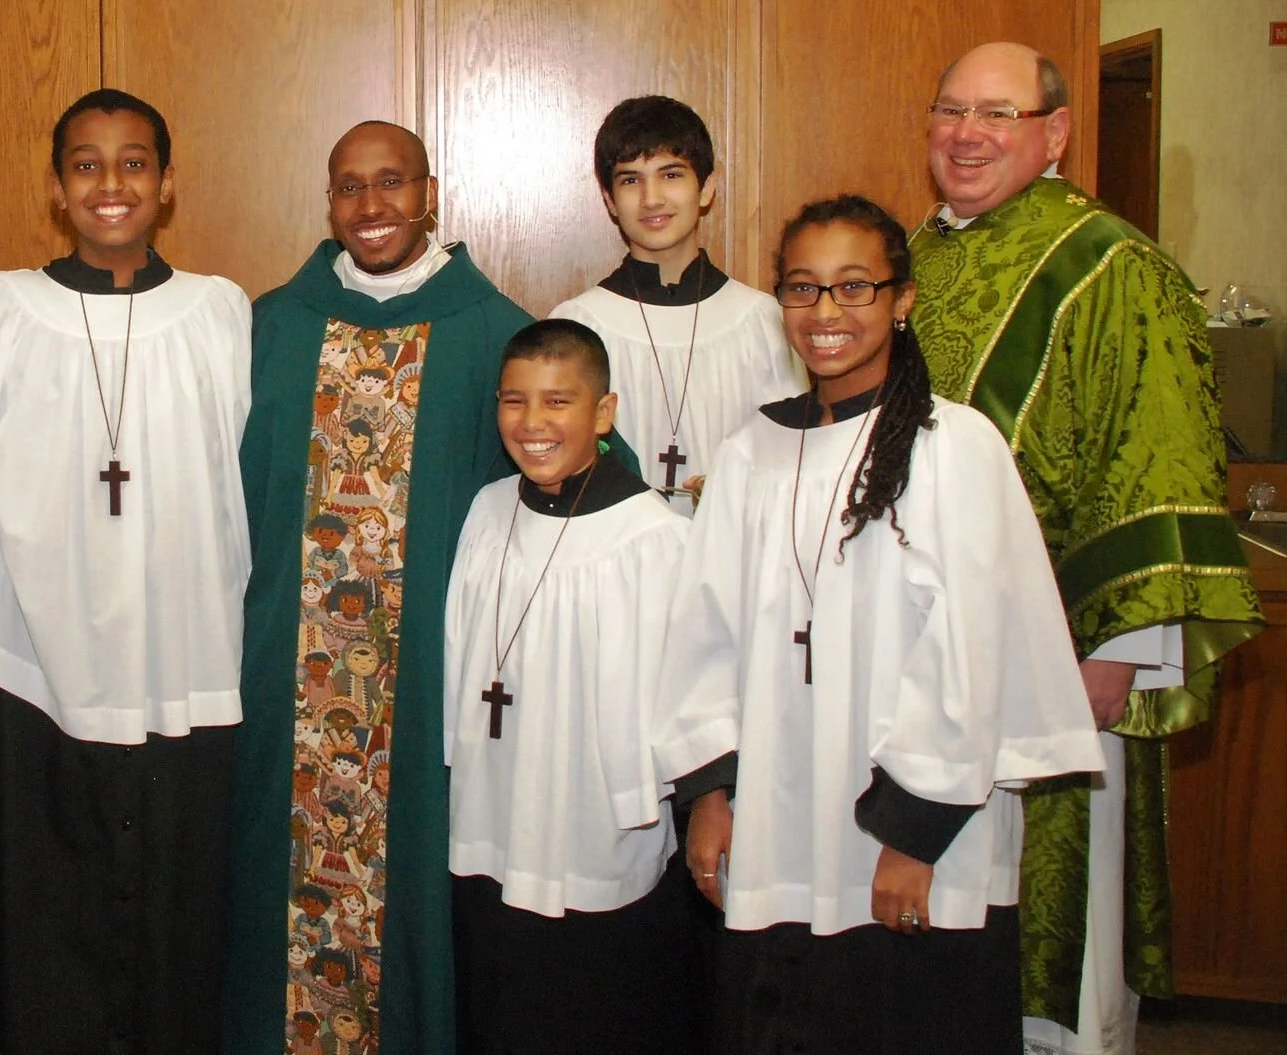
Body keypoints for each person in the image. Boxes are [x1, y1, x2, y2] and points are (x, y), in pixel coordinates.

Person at [655, 194, 1104, 1054]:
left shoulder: (954, 446)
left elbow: (976, 653)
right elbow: (702, 635)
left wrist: (911, 838)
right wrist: (708, 793)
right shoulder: (751, 452)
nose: (825, 313)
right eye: (802, 288)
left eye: (854, 287)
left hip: (915, 834)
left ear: (902, 300)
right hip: (782, 818)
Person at [906, 43, 1264, 1055]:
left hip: (1056, 654)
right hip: (912, 650)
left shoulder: (1115, 264)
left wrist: (1119, 652)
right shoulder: (906, 260)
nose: (967, 135)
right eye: (949, 111)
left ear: (1053, 133)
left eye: (998, 114)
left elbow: (1160, 455)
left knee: (1047, 934)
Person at [222, 120, 533, 1055]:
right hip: (288, 672)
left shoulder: (494, 330)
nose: (371, 206)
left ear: (428, 191)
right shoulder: (274, 324)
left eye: (391, 182)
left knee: (413, 898)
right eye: (350, 187)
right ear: (330, 202)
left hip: (426, 682)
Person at [0, 89, 250, 1053]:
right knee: (44, 925)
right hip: (36, 658)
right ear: (56, 187)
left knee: (180, 929)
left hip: (181, 656)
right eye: (86, 163)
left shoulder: (220, 311)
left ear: (167, 184)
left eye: (134, 163)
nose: (110, 183)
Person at [445, 319, 698, 1055]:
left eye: (559, 402)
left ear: (604, 412)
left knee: (590, 1010)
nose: (533, 424)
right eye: (514, 401)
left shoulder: (650, 536)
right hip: (492, 810)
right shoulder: (490, 509)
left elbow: (678, 702)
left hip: (594, 826)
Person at [552, 96, 799, 511]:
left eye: (670, 174)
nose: (651, 199)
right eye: (630, 180)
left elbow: (791, 461)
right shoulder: (576, 326)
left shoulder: (764, 321)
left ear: (706, 188)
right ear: (609, 201)